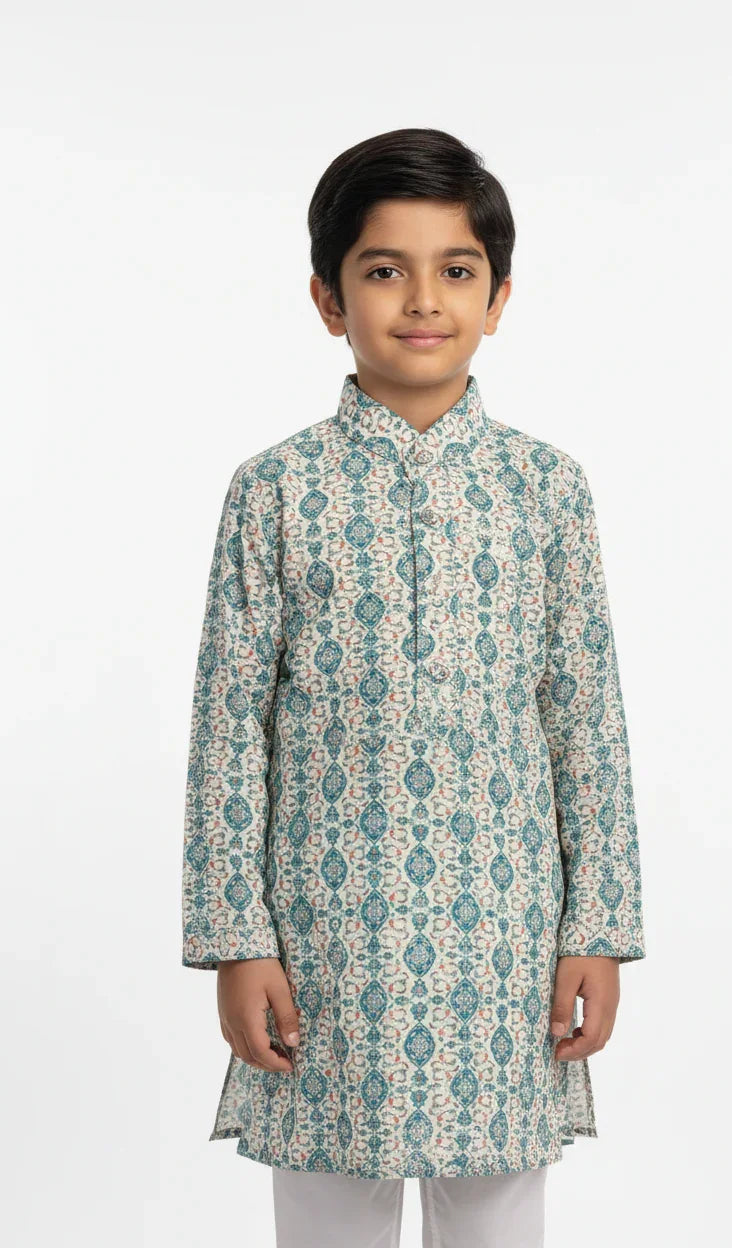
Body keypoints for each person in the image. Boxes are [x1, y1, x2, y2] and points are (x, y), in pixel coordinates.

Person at [181, 127, 647, 1248]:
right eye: (385, 269)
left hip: (505, 933)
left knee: (496, 1215)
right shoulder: (275, 491)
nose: (423, 300)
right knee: (326, 1210)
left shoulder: (546, 490)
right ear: (327, 298)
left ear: (498, 298)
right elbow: (229, 729)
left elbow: (585, 717)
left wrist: (597, 927)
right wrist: (238, 939)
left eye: (457, 270)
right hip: (322, 931)